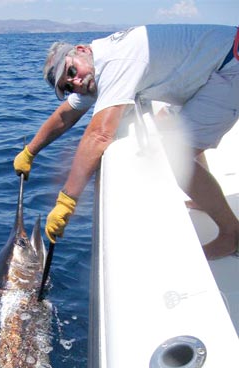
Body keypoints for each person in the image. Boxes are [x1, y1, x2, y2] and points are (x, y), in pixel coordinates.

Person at [14, 24, 239, 260]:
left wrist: (67, 200)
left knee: (175, 156)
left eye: (71, 72)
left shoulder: (115, 61)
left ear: (81, 50)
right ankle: (203, 198)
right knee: (180, 138)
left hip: (230, 65)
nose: (76, 83)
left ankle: (232, 235)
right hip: (217, 65)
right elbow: (65, 114)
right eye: (68, 86)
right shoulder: (98, 63)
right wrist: (30, 152)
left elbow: (100, 134)